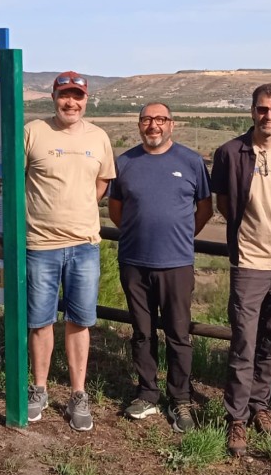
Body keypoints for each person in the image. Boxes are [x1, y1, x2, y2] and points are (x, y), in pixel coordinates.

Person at [210, 83, 271, 457]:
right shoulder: (230, 152)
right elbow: (225, 203)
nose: (269, 116)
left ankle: (259, 405)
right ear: (252, 111)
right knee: (243, 343)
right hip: (249, 261)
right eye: (262, 109)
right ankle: (236, 416)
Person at [108, 102, 212, 432]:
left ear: (172, 124)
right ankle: (147, 393)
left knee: (179, 334)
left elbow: (205, 209)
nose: (153, 125)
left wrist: (179, 236)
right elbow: (115, 210)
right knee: (142, 332)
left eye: (160, 119)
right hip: (134, 262)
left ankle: (180, 398)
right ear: (139, 125)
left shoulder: (191, 161)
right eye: (147, 119)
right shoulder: (125, 162)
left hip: (176, 264)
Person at [24, 72, 116, 432]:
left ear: (86, 99)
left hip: (84, 246)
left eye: (77, 96)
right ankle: (39, 388)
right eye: (65, 95)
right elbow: (16, 179)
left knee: (80, 321)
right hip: (40, 244)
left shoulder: (99, 137)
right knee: (40, 320)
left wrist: (77, 208)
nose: (71, 103)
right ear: (53, 96)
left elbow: (102, 181)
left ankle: (78, 393)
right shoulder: (33, 132)